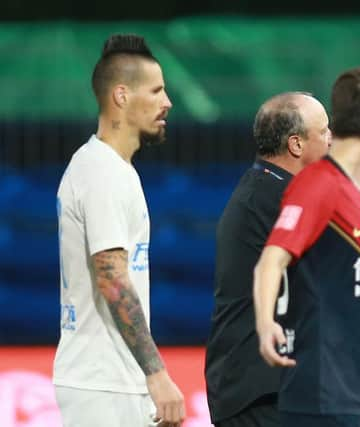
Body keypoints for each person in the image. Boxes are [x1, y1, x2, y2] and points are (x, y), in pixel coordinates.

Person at [253, 65, 360, 427]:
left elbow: (335, 302)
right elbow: (270, 259)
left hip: (354, 396)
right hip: (321, 401)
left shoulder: (351, 194)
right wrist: (265, 324)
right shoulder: (319, 185)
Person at [53, 34, 185, 427]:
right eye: (158, 90)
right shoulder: (102, 172)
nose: (168, 103)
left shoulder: (111, 168)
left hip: (113, 382)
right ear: (122, 96)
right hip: (102, 385)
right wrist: (157, 374)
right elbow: (111, 278)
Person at [204, 91, 331, 427]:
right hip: (259, 390)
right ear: (297, 145)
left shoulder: (266, 190)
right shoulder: (271, 197)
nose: (332, 141)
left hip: (270, 385)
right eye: (325, 131)